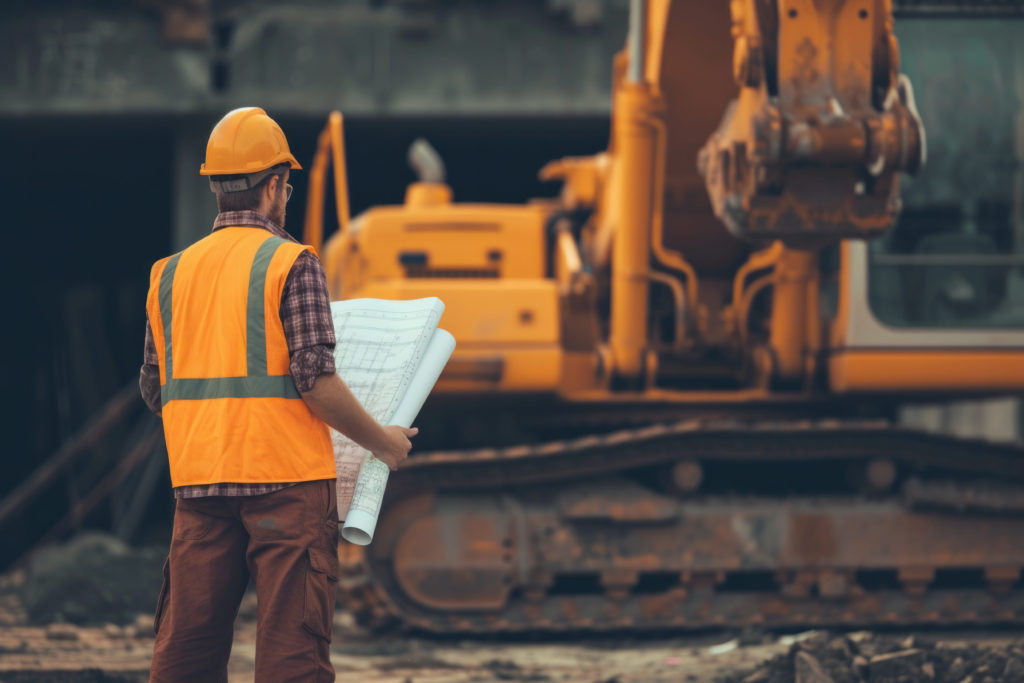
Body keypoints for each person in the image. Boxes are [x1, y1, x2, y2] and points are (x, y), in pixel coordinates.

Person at [139, 107, 416, 682]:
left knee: (186, 650)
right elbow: (314, 381)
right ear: (272, 186)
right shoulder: (292, 262)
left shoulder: (168, 273)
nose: (285, 195)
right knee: (293, 655)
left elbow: (153, 387)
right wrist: (383, 443)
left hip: (199, 484)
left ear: (216, 185)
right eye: (285, 185)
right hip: (287, 484)